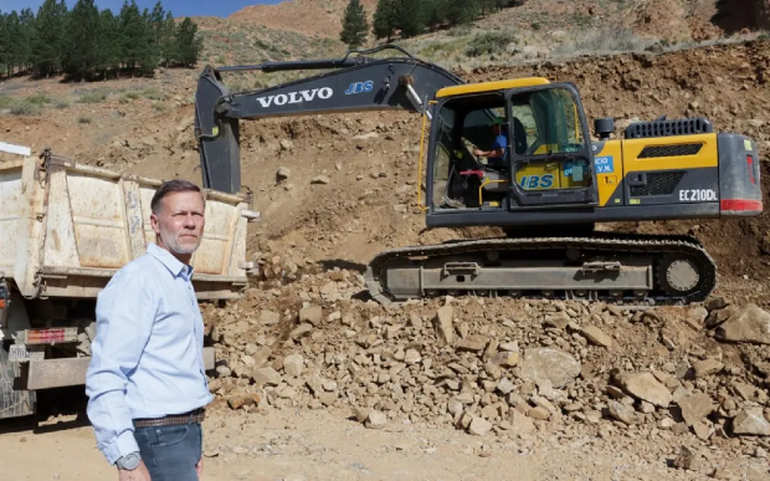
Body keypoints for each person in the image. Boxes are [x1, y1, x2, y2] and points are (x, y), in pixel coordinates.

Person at [85, 179, 212, 481]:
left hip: (180, 434)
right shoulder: (140, 281)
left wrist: (192, 445)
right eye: (180, 215)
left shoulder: (177, 279)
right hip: (157, 436)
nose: (190, 223)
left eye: (197, 215)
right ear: (156, 222)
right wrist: (126, 457)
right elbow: (106, 373)